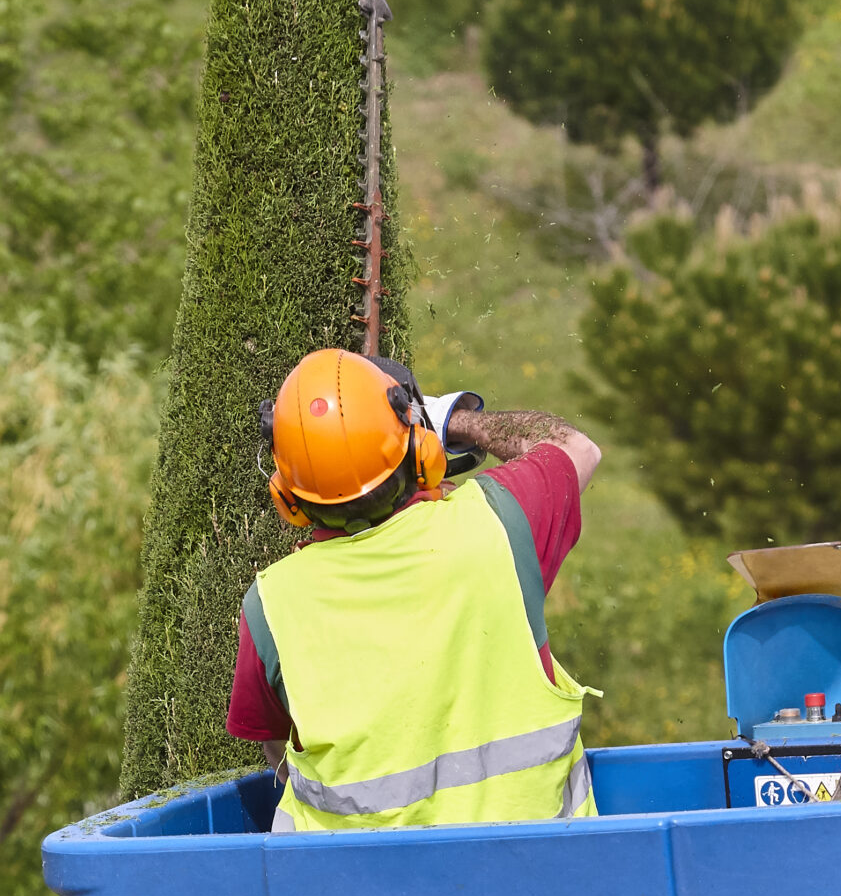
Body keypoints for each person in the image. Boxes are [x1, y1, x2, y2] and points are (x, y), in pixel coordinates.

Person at [228, 348, 603, 832]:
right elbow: (575, 446)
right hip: (540, 879)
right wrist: (456, 422)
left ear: (289, 494)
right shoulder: (498, 524)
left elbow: (277, 749)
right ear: (419, 451)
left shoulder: (270, 606)